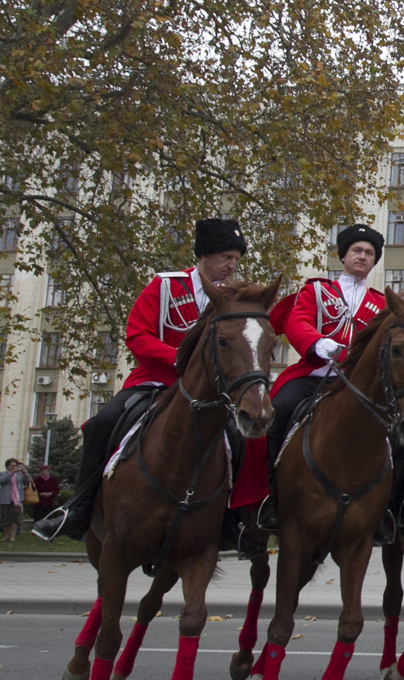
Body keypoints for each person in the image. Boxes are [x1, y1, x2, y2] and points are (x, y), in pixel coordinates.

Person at [35, 219, 248, 541]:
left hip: (209, 391)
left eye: (235, 259)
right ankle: (77, 510)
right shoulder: (166, 286)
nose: (232, 266)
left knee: (242, 435)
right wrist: (179, 361)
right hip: (155, 381)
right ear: (205, 255)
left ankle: (232, 520)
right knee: (101, 423)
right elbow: (138, 334)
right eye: (226, 258)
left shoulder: (235, 297)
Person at [257, 223, 387, 531]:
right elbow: (297, 321)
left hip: (359, 385)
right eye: (356, 250)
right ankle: (270, 497)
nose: (363, 256)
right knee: (281, 409)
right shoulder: (316, 290)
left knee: (394, 429)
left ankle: (386, 506)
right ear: (343, 256)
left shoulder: (381, 304)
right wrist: (319, 343)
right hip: (314, 373)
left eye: (369, 253)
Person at [1, 458, 30, 542]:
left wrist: (24, 473)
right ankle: (5, 536)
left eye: (15, 466)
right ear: (7, 467)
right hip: (5, 500)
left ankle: (12, 536)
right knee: (4, 519)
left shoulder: (20, 475)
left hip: (17, 500)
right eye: (11, 466)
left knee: (15, 519)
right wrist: (11, 473)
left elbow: (28, 480)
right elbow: (3, 480)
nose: (13, 467)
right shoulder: (3, 474)